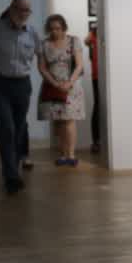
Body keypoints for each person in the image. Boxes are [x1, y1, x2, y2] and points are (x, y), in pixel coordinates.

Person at [0, 0, 41, 193]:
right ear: (11, 9)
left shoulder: (32, 33)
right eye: (21, 9)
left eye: (27, 10)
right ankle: (11, 175)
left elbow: (41, 57)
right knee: (6, 126)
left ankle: (13, 166)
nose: (24, 13)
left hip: (22, 84)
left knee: (19, 127)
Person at [37, 15, 85, 167]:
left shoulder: (74, 41)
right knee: (58, 121)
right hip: (52, 85)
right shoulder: (44, 44)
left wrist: (69, 82)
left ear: (64, 27)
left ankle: (71, 155)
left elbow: (79, 65)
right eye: (51, 29)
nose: (54, 31)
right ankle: (63, 154)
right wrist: (55, 84)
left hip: (71, 86)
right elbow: (42, 67)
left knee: (69, 119)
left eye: (57, 28)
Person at [85, 21, 103, 154]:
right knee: (98, 107)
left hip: (108, 77)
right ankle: (96, 141)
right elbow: (86, 41)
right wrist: (95, 29)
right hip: (97, 76)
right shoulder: (94, 33)